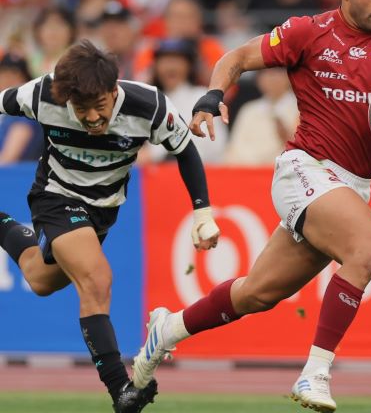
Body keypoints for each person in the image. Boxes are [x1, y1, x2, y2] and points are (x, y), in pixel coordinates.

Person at [130, 0, 371, 413]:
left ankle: (167, 329)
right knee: (368, 247)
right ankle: (315, 372)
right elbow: (236, 57)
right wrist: (211, 96)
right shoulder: (308, 32)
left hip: (351, 185)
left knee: (257, 294)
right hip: (304, 169)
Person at [0, 40, 221, 412]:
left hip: (104, 209)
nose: (90, 118)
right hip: (56, 197)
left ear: (114, 89)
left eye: (99, 106)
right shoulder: (42, 94)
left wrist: (203, 213)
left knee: (40, 279)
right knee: (97, 280)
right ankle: (121, 389)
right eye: (80, 109)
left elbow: (184, 150)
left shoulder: (150, 106)